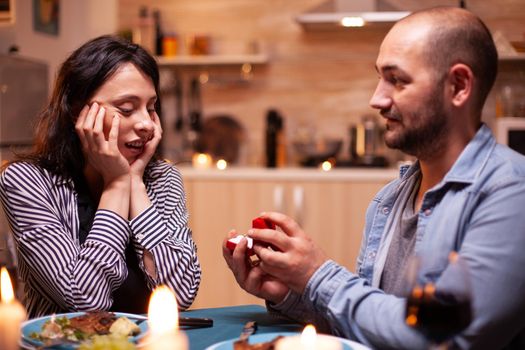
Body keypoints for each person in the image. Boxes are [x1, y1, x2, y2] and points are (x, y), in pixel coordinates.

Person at [223, 7, 525, 349]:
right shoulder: (391, 198)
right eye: (380, 78)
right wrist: (292, 293)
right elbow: (375, 324)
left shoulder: (511, 194)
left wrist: (317, 275)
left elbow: (438, 337)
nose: (376, 99)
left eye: (397, 80)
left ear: (458, 86)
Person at [0, 35, 201, 318]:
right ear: (77, 111)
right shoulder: (26, 181)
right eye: (126, 109)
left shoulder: (164, 178)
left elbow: (181, 294)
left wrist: (136, 188)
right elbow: (85, 301)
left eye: (151, 107)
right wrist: (117, 185)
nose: (145, 123)